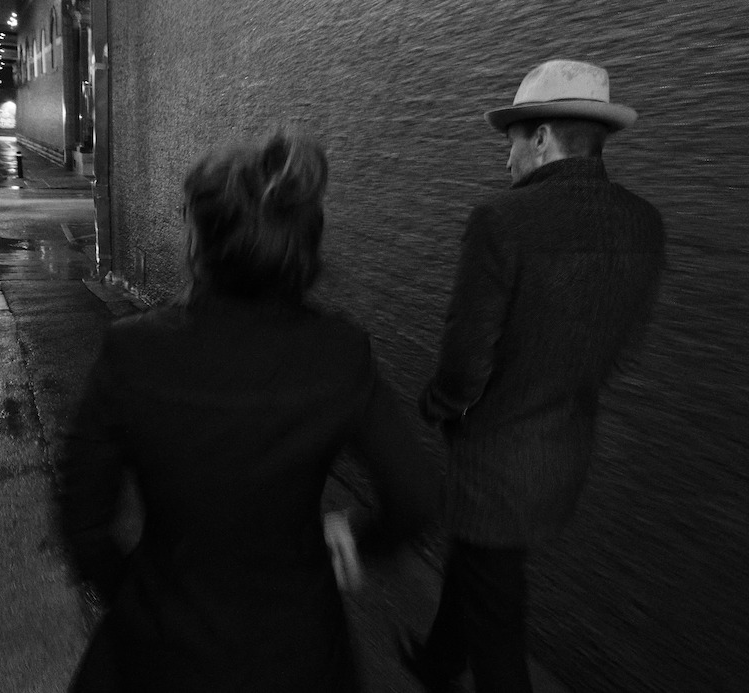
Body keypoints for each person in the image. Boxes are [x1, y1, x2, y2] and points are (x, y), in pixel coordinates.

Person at [56, 130, 439, 692]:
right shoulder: (339, 351)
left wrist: (138, 598)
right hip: (299, 650)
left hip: (163, 651)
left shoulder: (134, 350)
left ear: (200, 240)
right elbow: (415, 495)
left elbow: (84, 521)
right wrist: (356, 536)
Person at [401, 60, 666, 692]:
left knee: (498, 625)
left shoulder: (502, 222)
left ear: (543, 138)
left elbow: (465, 363)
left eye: (513, 142)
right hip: (564, 449)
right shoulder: (642, 224)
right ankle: (438, 660)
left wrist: (438, 406)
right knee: (481, 562)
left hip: (494, 456)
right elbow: (623, 351)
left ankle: (453, 665)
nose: (506, 161)